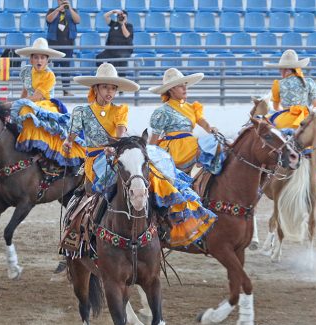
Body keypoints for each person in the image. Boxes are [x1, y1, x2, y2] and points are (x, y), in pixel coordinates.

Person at [62, 63, 216, 247]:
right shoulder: (82, 112)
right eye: (105, 87)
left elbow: (120, 131)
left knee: (147, 175)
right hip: (95, 160)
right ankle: (88, 231)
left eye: (113, 88)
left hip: (115, 153)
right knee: (108, 187)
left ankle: (161, 220)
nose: (109, 92)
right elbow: (70, 137)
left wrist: (116, 146)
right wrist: (68, 142)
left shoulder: (120, 110)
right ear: (95, 88)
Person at [10, 38, 85, 170]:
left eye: (42, 58)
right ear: (31, 59)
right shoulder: (26, 71)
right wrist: (15, 106)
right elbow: (25, 90)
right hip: (29, 101)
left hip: (45, 104)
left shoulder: (50, 75)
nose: (39, 61)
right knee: (20, 112)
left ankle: (43, 152)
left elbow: (37, 96)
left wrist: (18, 103)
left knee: (28, 111)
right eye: (36, 57)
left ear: (47, 60)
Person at [147, 68, 219, 173]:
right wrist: (149, 154)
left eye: (185, 84)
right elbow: (154, 137)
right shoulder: (162, 111)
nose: (185, 88)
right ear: (171, 90)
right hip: (174, 149)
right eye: (180, 86)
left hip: (191, 144)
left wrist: (211, 128)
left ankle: (200, 177)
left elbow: (203, 122)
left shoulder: (192, 107)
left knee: (217, 144)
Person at [264, 49, 316, 130]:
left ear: (284, 70)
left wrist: (287, 110)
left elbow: (276, 107)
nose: (279, 72)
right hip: (305, 119)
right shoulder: (309, 82)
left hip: (284, 121)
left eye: (280, 69)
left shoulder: (278, 84)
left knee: (263, 126)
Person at [46, 0, 81, 96]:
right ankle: (48, 89)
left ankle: (66, 90)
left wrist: (69, 8)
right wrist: (58, 10)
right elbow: (49, 19)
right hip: (54, 43)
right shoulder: (52, 10)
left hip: (68, 43)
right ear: (58, 1)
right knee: (53, 68)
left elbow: (77, 20)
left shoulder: (73, 10)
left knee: (66, 68)